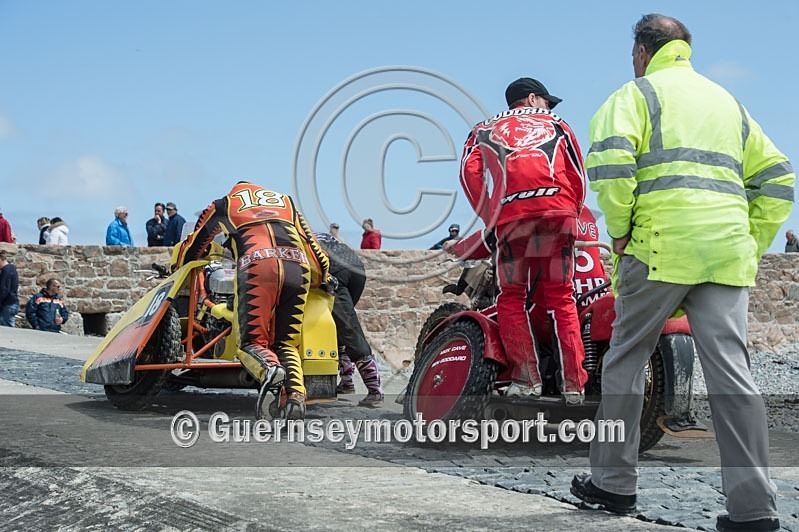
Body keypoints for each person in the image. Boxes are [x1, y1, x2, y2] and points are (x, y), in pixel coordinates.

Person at [569, 15, 794, 532]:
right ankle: (755, 510)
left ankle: (613, 484)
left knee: (625, 360)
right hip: (726, 256)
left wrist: (620, 230)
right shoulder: (729, 104)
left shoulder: (637, 95)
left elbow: (610, 164)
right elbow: (779, 178)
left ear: (643, 51)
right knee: (733, 376)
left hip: (658, 248)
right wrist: (751, 241)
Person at [453, 76, 588, 404]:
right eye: (545, 100)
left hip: (512, 223)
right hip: (558, 217)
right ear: (531, 98)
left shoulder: (482, 129)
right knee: (562, 298)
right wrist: (571, 211)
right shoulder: (558, 124)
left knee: (511, 298)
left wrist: (492, 217)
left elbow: (468, 174)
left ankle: (527, 380)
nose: (548, 107)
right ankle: (574, 385)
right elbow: (578, 174)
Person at [172, 181, 331, 420]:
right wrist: (323, 278)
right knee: (286, 343)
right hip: (298, 268)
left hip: (257, 267)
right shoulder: (287, 202)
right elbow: (316, 252)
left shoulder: (223, 204)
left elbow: (194, 246)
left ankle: (270, 369)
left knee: (251, 343)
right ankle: (296, 396)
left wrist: (177, 267)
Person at [314, 231, 384, 407]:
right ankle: (347, 383)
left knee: (350, 331)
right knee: (341, 328)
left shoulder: (297, 237)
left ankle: (375, 392)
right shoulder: (316, 233)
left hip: (335, 271)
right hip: (356, 268)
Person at [0, 248, 19, 327]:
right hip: (12, 303)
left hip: (8, 304)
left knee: (7, 328)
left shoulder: (6, 271)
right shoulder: (12, 269)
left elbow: (4, 289)